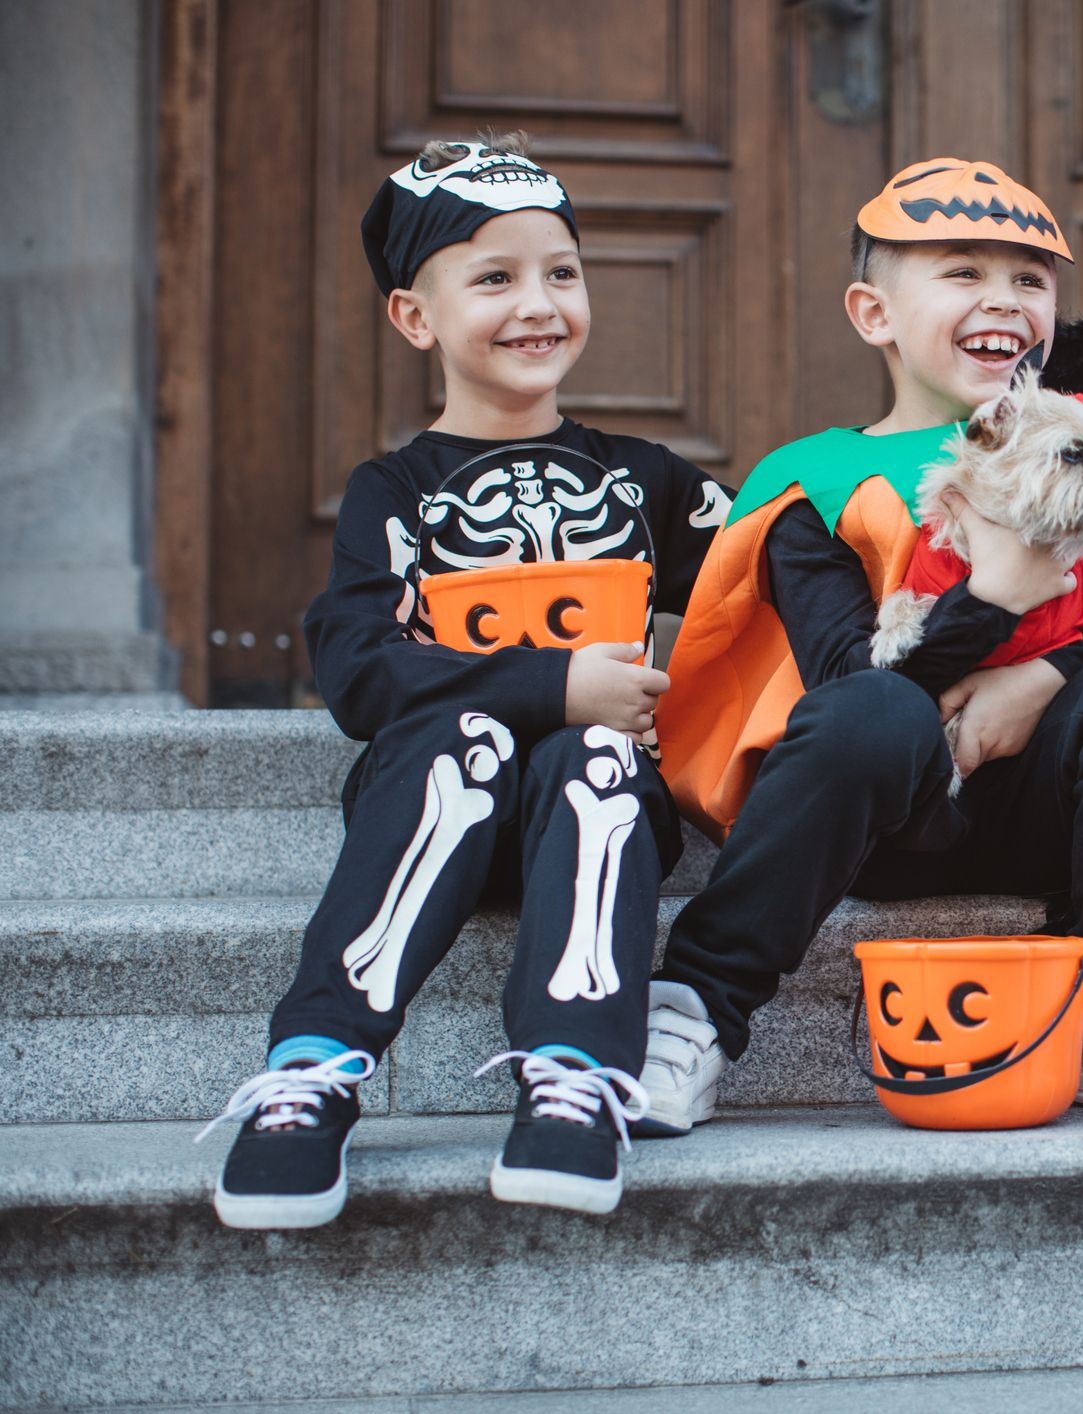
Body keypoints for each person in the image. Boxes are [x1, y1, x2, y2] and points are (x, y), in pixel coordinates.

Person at [199, 134, 729, 1226]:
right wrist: (553, 684)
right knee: (464, 736)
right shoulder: (390, 494)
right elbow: (358, 669)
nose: (538, 303)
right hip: (438, 802)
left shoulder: (646, 483)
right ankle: (313, 1067)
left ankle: (574, 1077)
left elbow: (769, 569)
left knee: (596, 751)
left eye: (561, 272)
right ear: (414, 316)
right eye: (494, 276)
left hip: (594, 808)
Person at [640, 157, 1083, 1135]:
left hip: (1053, 807)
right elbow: (847, 677)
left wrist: (1039, 678)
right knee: (870, 707)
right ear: (873, 312)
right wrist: (994, 598)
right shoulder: (816, 479)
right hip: (892, 820)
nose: (1004, 299)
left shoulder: (1076, 447)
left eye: (1029, 280)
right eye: (963, 271)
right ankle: (695, 1005)